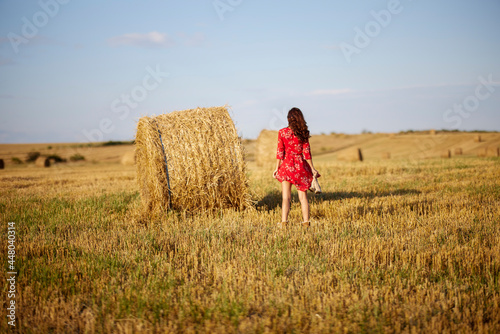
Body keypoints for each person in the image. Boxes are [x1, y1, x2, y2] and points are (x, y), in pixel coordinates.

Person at [273, 107, 320, 227]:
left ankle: (284, 223)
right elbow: (307, 152)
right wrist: (312, 168)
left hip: (287, 166)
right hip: (300, 166)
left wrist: (277, 168)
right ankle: (306, 223)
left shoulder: (282, 132)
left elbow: (280, 151)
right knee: (303, 198)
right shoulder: (303, 132)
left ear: (288, 119)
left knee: (285, 198)